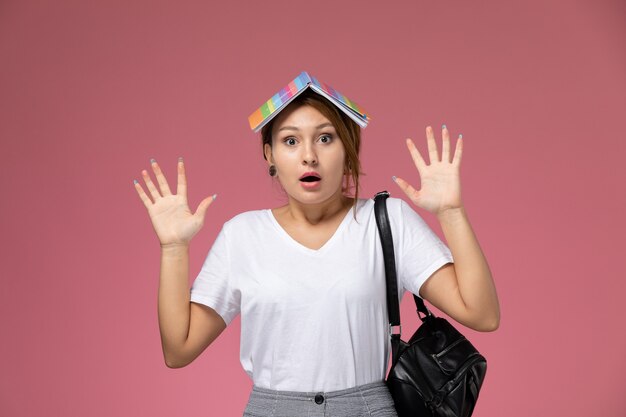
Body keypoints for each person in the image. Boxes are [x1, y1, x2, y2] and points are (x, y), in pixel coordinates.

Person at [134, 80, 500, 417]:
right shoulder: (242, 235)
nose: (308, 155)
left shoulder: (388, 220)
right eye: (290, 141)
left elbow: (482, 314)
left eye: (325, 138)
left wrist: (452, 212)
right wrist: (173, 248)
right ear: (270, 156)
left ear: (350, 147)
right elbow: (178, 350)